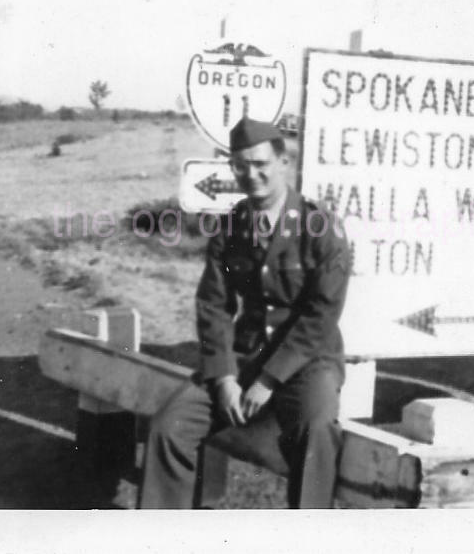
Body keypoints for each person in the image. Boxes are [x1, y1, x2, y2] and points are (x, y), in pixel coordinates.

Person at [138, 117, 351, 509]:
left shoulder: (321, 228)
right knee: (169, 427)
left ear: (283, 163)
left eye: (260, 164)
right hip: (244, 356)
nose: (250, 175)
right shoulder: (231, 226)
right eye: (240, 166)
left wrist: (268, 381)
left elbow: (321, 315)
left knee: (316, 432)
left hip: (308, 361)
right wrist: (223, 378)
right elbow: (213, 305)